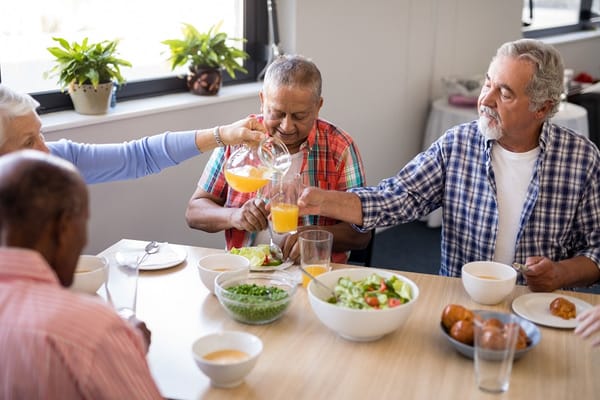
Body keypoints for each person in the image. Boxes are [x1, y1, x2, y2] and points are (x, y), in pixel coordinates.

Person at [297, 39, 600, 292]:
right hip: (460, 301)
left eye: (504, 93)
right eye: (487, 83)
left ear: (542, 107)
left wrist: (559, 274)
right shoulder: (457, 144)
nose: (485, 100)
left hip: (538, 307)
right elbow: (397, 197)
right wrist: (320, 200)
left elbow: (595, 249)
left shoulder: (581, 158)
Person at [0, 150, 163, 399]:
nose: (84, 239)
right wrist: (120, 343)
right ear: (63, 228)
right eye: (83, 222)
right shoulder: (91, 331)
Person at [185, 55, 371, 263]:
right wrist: (234, 216)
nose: (287, 127)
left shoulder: (340, 147)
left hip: (312, 273)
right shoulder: (239, 138)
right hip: (245, 271)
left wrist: (313, 235)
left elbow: (361, 234)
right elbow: (194, 212)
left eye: (300, 116)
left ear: (318, 106)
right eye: (277, 113)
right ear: (263, 100)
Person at [0, 84, 266, 184]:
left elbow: (140, 156)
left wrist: (222, 134)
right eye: (28, 142)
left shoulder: (55, 160)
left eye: (41, 135)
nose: (45, 151)